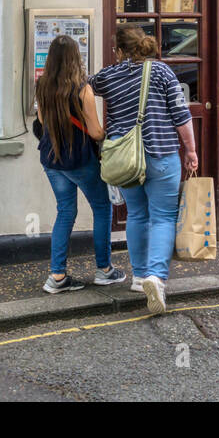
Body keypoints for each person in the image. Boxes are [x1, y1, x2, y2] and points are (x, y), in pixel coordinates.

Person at [91, 25, 198, 314]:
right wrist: (190, 150)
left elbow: (83, 90)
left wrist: (97, 130)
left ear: (120, 50)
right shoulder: (162, 72)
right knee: (163, 218)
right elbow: (181, 114)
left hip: (126, 159)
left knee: (136, 214)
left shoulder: (109, 75)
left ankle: (139, 277)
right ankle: (156, 277)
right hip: (161, 155)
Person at [34, 34, 126, 293]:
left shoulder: (42, 85)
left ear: (51, 59)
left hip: (52, 158)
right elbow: (95, 132)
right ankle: (105, 270)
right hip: (80, 159)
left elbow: (42, 121)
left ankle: (58, 275)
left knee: (65, 212)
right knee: (102, 208)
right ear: (76, 58)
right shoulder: (82, 89)